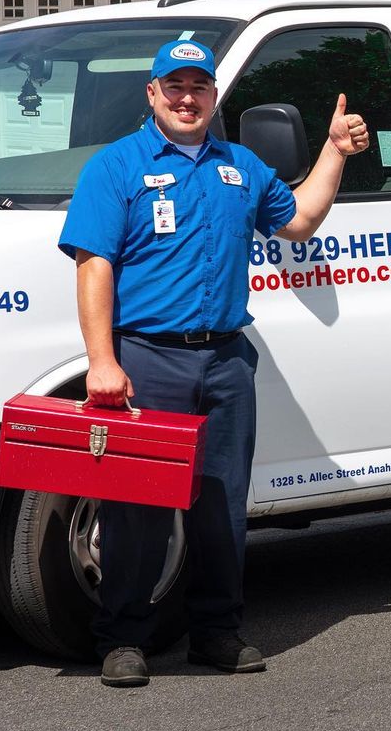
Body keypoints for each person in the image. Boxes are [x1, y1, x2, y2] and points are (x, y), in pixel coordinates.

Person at [58, 38, 369, 688]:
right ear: (152, 93)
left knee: (221, 506)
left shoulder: (240, 167)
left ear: (213, 96)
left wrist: (334, 151)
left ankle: (216, 633)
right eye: (174, 85)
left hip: (226, 360)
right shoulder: (115, 167)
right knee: (136, 509)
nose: (186, 98)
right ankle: (123, 638)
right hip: (149, 359)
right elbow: (94, 265)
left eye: (198, 86)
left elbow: (300, 220)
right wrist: (102, 361)